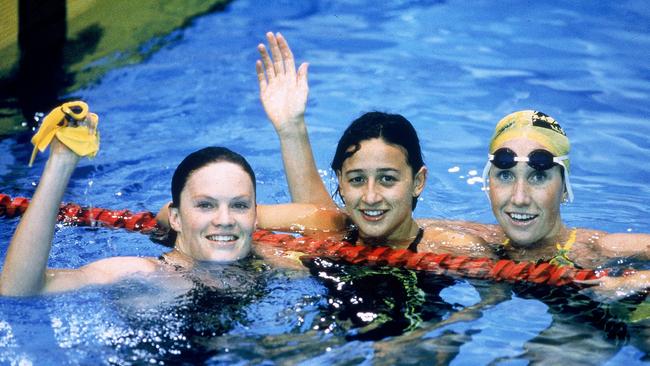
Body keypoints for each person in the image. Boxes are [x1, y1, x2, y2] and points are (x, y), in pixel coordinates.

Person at [255, 32, 649, 299]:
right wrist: (291, 130)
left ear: (564, 186)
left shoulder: (594, 247)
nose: (520, 196)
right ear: (488, 184)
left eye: (540, 177)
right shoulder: (462, 240)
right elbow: (327, 220)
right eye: (506, 176)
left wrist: (632, 283)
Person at [255, 32, 489, 256]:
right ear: (341, 182)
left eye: (387, 178)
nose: (370, 196)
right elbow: (233, 213)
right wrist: (290, 128)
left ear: (418, 182)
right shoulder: (334, 232)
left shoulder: (451, 248)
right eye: (357, 179)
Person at [0, 102, 259, 296]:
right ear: (176, 218)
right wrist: (62, 163)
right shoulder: (143, 275)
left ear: (255, 216)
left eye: (239, 205)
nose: (225, 220)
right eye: (206, 205)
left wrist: (289, 129)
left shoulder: (270, 266)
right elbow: (18, 289)